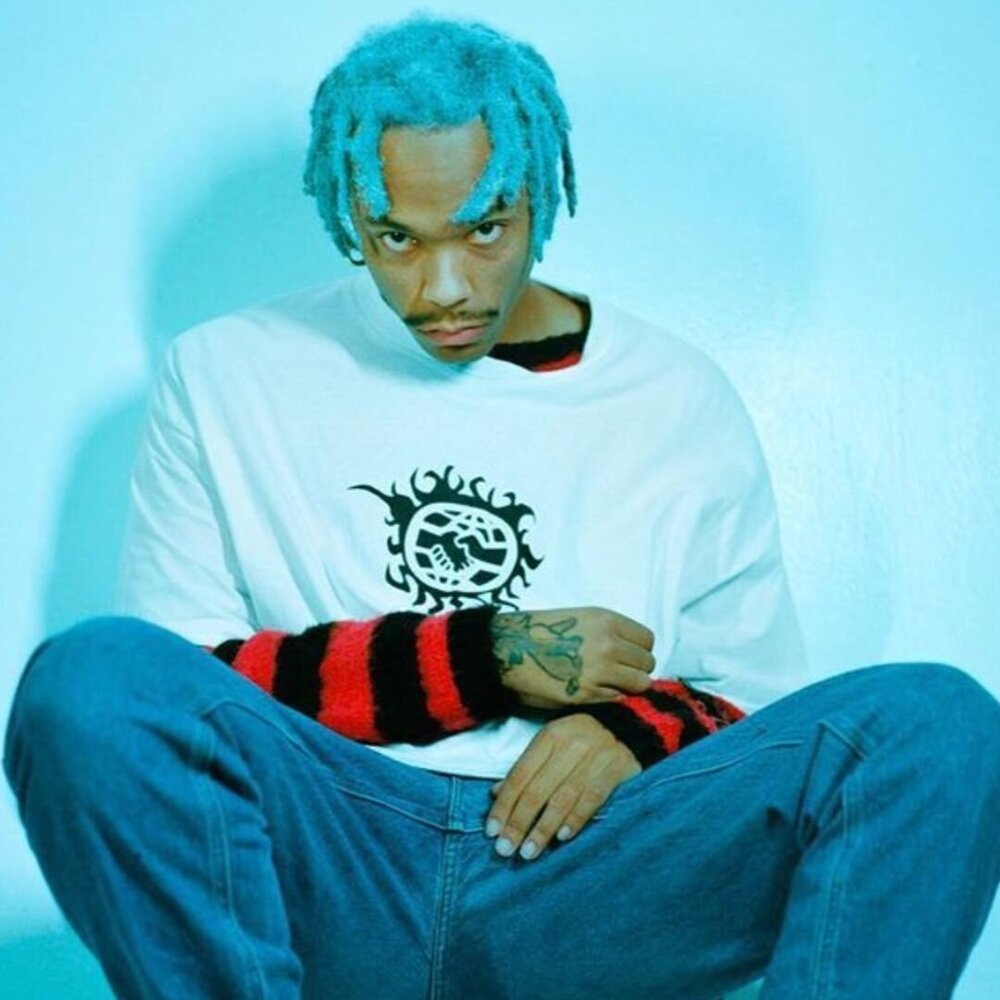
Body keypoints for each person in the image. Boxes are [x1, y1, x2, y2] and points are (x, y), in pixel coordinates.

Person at [5, 12, 1000, 1000]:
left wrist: (631, 733)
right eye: (396, 238)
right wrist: (487, 658)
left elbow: (755, 716)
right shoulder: (223, 373)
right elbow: (186, 697)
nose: (444, 287)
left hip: (594, 874)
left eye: (485, 229)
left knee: (936, 726)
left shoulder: (675, 396)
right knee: (91, 681)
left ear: (541, 197)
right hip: (330, 853)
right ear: (349, 211)